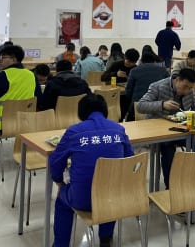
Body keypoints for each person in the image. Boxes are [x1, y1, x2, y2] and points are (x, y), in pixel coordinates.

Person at [49, 93, 134, 247]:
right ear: (105, 110)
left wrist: (59, 181)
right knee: (109, 188)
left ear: (81, 112)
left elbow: (55, 162)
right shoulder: (119, 129)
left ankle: (60, 244)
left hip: (82, 199)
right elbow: (130, 160)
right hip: (113, 199)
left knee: (62, 200)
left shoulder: (74, 132)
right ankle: (105, 239)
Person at [137, 68, 195, 188]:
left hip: (180, 129)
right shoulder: (157, 86)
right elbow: (140, 106)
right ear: (177, 80)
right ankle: (171, 186)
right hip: (159, 131)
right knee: (168, 148)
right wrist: (162, 105)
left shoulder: (189, 91)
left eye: (190, 88)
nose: (187, 91)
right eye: (185, 87)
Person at [0, 45, 39, 156]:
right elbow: (38, 98)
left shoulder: (2, 76)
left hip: (1, 125)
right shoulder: (31, 75)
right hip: (24, 123)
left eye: (3, 57)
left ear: (13, 59)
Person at [125, 52, 168, 120]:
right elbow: (168, 85)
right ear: (154, 61)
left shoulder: (134, 71)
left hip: (137, 106)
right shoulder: (163, 70)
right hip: (157, 106)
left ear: (141, 61)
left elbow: (128, 91)